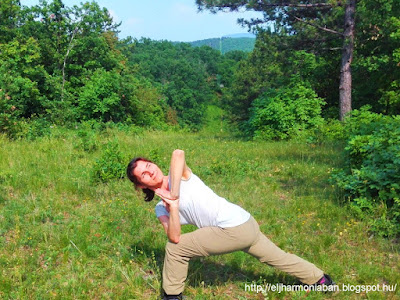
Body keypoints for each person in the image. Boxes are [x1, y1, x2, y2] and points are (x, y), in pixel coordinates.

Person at [127, 149, 335, 300]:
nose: (150, 171)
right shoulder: (160, 208)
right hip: (241, 226)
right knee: (278, 258)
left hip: (235, 225)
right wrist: (172, 206)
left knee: (175, 250)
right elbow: (173, 236)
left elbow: (178, 153)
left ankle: (172, 296)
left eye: (148, 165)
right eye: (143, 174)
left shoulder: (178, 176)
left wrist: (174, 194)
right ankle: (321, 280)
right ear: (140, 185)